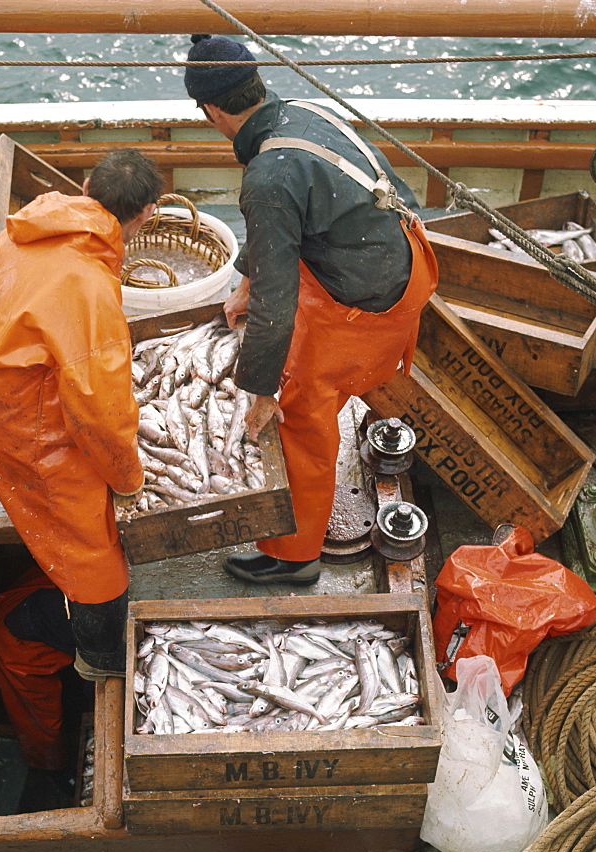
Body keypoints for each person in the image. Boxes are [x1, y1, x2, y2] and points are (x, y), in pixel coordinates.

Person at [184, 34, 439, 585]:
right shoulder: (303, 111)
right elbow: (284, 224)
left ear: (210, 110)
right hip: (407, 258)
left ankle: (297, 559)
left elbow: (278, 302)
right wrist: (248, 280)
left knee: (299, 414)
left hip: (372, 305)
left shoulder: (269, 174)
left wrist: (261, 391)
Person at [0, 149, 163, 733]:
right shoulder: (89, 286)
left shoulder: (28, 227)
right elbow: (100, 413)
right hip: (22, 425)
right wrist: (127, 480)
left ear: (87, 186)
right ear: (146, 215)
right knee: (95, 551)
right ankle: (99, 657)